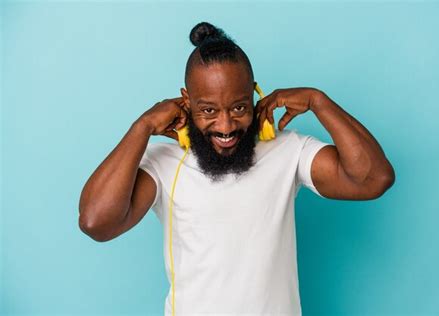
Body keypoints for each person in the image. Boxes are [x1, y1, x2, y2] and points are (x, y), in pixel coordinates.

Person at [79, 22, 395, 316]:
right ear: (186, 102)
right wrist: (143, 126)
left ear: (255, 95)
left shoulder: (287, 151)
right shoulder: (164, 163)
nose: (226, 125)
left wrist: (318, 101)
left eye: (239, 107)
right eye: (208, 110)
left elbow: (373, 178)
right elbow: (96, 222)